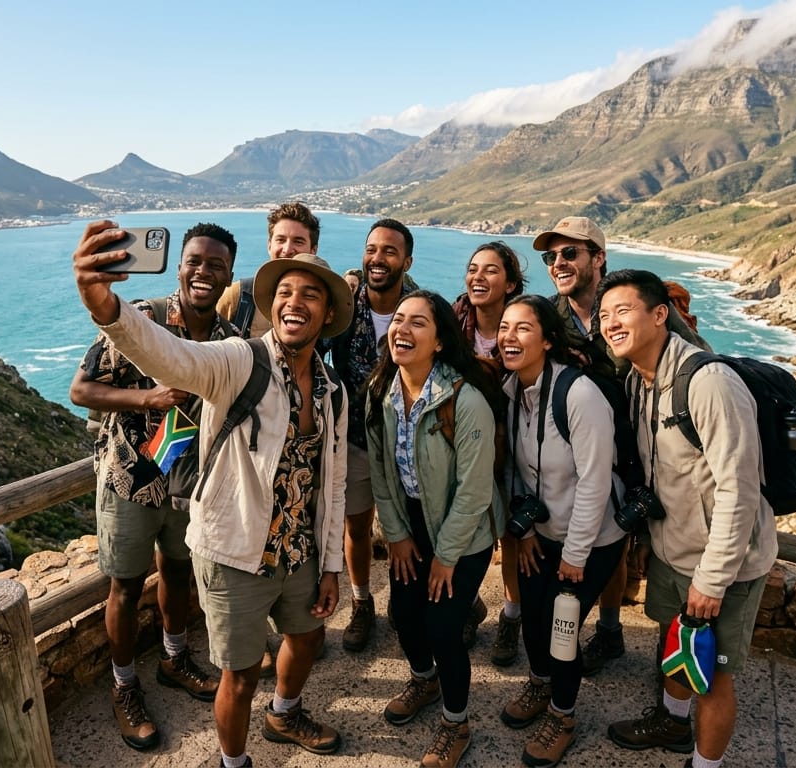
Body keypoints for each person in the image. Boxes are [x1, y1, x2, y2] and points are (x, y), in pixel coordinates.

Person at [74, 219, 351, 768]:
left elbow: (333, 481)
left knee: (308, 639)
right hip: (231, 545)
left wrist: (331, 565)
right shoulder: (240, 358)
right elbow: (170, 355)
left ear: (327, 315)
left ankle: (283, 712)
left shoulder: (330, 390)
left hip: (296, 548)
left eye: (310, 295)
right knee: (240, 675)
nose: (295, 303)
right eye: (286, 292)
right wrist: (103, 304)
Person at [596, 269, 777, 768]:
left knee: (714, 677)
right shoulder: (639, 380)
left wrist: (713, 581)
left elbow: (740, 490)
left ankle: (705, 763)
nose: (611, 323)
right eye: (605, 315)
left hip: (726, 565)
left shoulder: (709, 383)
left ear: (660, 315)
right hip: (673, 550)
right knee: (677, 645)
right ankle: (672, 723)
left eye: (623, 311)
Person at [68, 223, 234, 750]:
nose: (203, 272)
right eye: (194, 261)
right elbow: (81, 390)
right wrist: (146, 399)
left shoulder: (230, 340)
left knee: (178, 571)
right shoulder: (141, 319)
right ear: (179, 266)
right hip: (131, 480)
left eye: (216, 265)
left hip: (188, 485)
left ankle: (174, 659)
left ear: (229, 274)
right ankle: (124, 687)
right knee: (124, 586)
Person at [532, 216, 709, 676]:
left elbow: (695, 362)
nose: (558, 263)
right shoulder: (551, 315)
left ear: (598, 258)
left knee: (652, 548)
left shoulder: (633, 303)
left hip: (653, 448)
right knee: (608, 539)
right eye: (551, 256)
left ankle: (670, 666)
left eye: (570, 253)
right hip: (589, 452)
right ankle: (610, 632)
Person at [364, 291, 505, 768]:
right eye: (398, 320)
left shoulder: (465, 400)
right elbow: (382, 474)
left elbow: (474, 491)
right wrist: (396, 535)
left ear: (440, 341)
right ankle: (425, 680)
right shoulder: (380, 391)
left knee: (444, 628)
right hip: (411, 524)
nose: (402, 329)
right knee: (404, 616)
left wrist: (446, 557)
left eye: (418, 323)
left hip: (463, 532)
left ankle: (455, 723)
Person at [494, 295, 627, 767]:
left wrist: (576, 552)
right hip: (542, 533)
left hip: (593, 538)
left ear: (548, 340)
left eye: (522, 328)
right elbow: (516, 469)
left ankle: (562, 715)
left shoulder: (578, 395)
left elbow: (595, 480)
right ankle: (540, 682)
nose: (509, 337)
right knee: (533, 616)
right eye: (504, 327)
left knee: (561, 629)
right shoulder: (512, 390)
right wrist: (527, 530)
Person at [331, 217, 417, 654]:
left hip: (410, 440)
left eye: (389, 251)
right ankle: (362, 602)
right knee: (357, 527)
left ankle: (416, 603)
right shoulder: (344, 307)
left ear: (407, 261)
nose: (377, 258)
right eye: (371, 249)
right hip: (356, 439)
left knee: (417, 526)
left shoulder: (422, 308)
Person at [452, 241, 527, 666]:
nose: (478, 276)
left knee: (511, 534)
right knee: (465, 528)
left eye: (491, 270)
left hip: (517, 442)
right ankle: (469, 605)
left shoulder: (524, 324)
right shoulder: (452, 323)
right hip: (466, 444)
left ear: (511, 284)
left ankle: (511, 617)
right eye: (473, 268)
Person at [217, 201, 321, 338]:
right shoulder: (239, 295)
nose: (287, 250)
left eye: (298, 241)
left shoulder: (322, 300)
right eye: (281, 240)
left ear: (313, 250)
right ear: (269, 245)